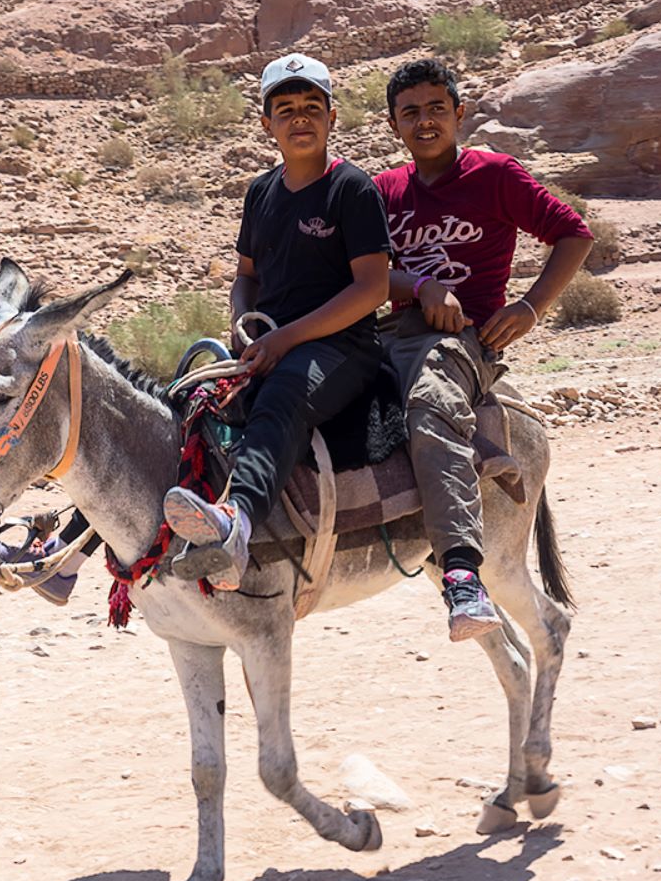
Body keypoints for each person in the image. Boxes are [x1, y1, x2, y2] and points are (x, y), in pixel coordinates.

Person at [373, 58, 593, 641]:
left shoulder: (495, 175)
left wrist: (530, 306)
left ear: (459, 113)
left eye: (436, 109)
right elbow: (363, 273)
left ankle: (463, 573)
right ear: (394, 124)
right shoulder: (384, 191)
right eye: (410, 112)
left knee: (430, 400)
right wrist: (419, 287)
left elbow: (574, 233)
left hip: (463, 340)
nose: (425, 122)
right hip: (390, 332)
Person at [161, 53, 392, 589]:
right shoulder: (260, 193)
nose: (299, 117)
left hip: (343, 348)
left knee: (282, 396)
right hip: (273, 341)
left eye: (312, 106)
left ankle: (236, 525)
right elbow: (246, 276)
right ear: (267, 124)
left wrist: (286, 339)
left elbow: (373, 289)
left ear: (332, 117)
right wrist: (245, 325)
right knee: (179, 404)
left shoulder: (352, 189)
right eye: (285, 109)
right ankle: (75, 551)